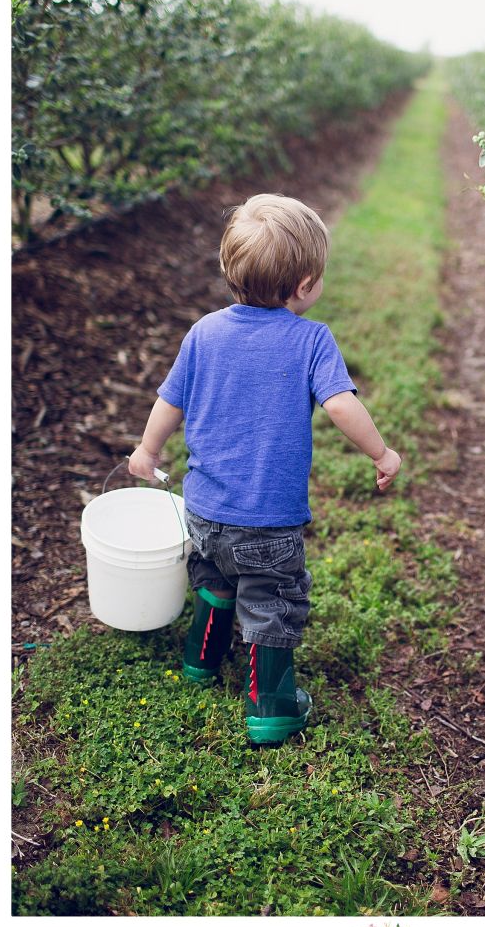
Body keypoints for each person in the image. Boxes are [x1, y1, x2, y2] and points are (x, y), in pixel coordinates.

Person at [127, 193, 402, 746]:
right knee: (271, 600)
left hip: (203, 511)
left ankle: (201, 661)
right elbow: (342, 404)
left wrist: (147, 451)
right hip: (268, 523)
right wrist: (381, 453)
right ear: (304, 285)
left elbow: (170, 401)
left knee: (213, 578)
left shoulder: (204, 332)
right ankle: (271, 707)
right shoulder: (311, 339)